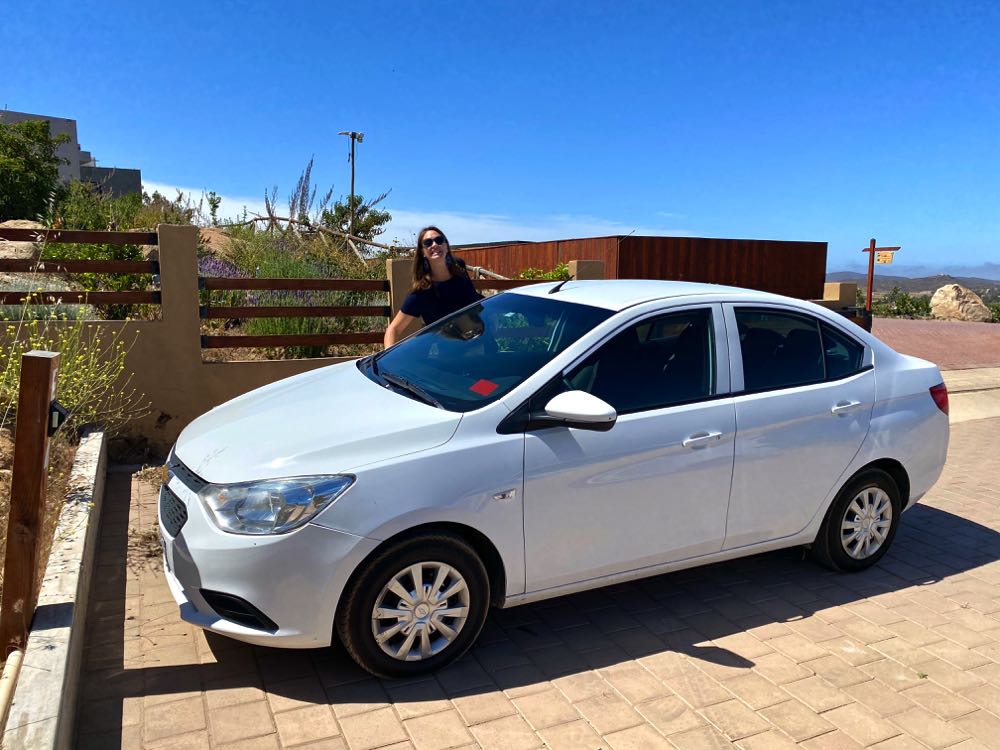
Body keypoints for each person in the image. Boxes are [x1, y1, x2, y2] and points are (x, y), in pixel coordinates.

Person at [383, 226, 482, 347]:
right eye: (428, 243)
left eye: (439, 240)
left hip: (481, 340)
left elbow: (474, 303)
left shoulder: (460, 268)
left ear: (446, 245)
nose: (434, 245)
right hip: (451, 355)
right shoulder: (421, 293)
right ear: (422, 252)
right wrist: (388, 361)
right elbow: (394, 329)